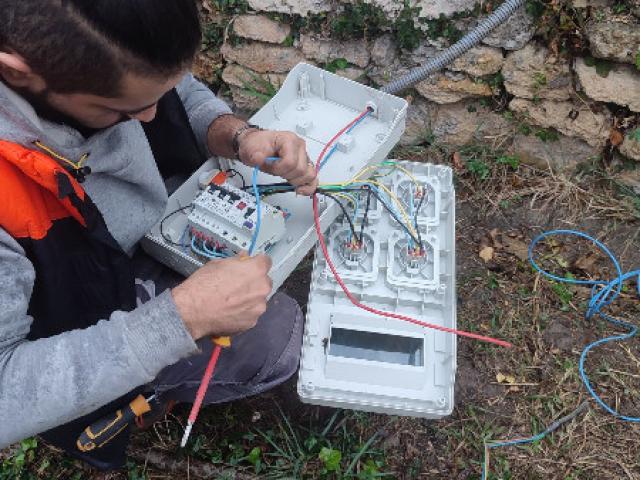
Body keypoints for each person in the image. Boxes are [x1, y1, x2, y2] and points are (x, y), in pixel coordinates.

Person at [0, 0, 318, 470]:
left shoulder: (97, 53)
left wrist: (237, 136)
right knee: (279, 337)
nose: (152, 116)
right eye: (121, 110)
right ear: (19, 72)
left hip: (116, 242)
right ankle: (135, 406)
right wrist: (179, 320)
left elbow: (172, 91)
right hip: (71, 313)